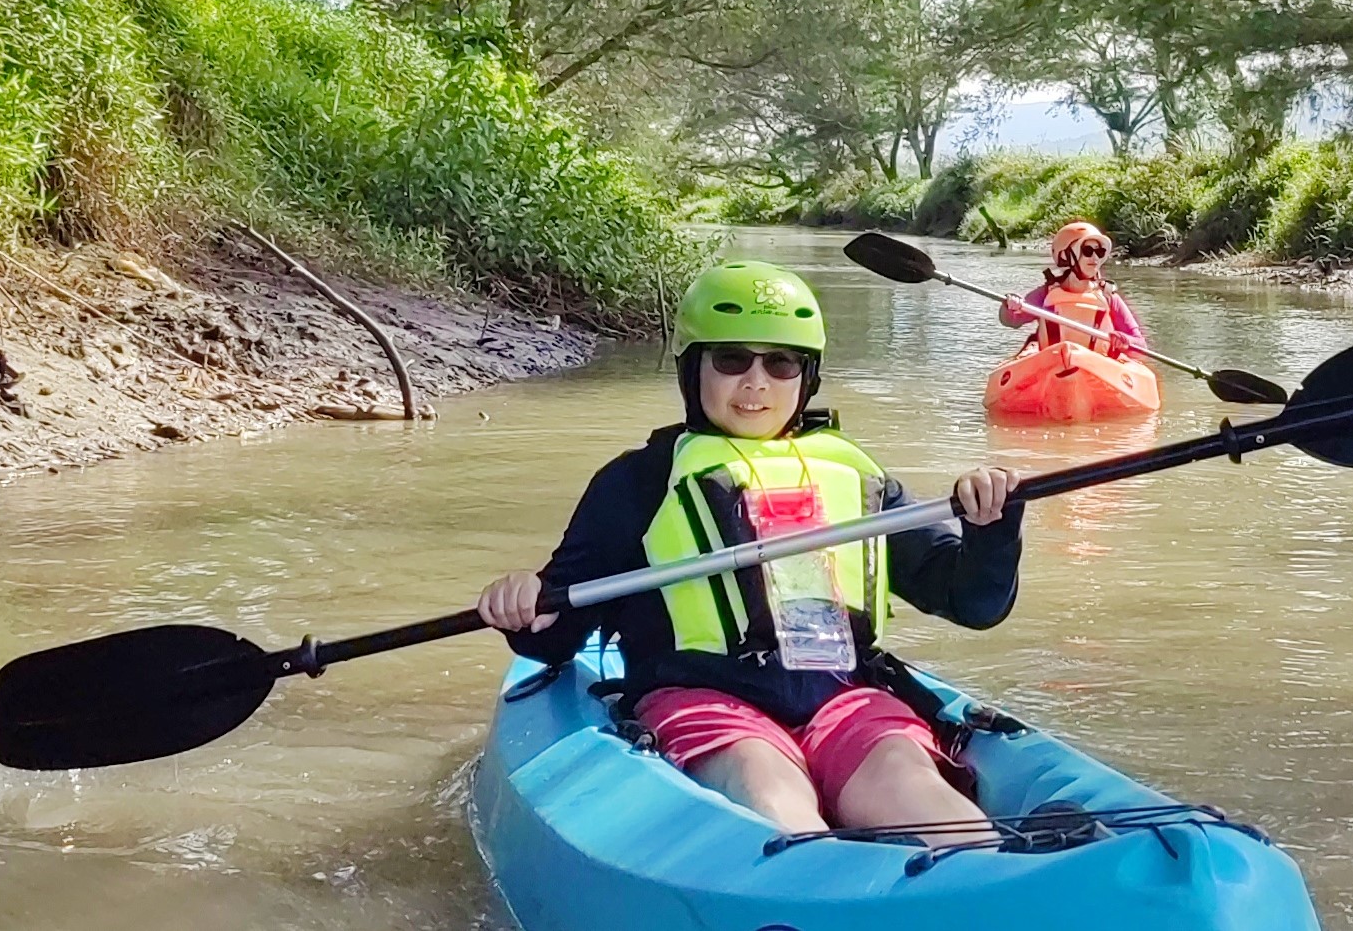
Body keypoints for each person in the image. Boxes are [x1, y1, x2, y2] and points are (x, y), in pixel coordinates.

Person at [476, 260, 1023, 835]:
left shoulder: (859, 480)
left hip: (843, 698)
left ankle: (991, 879)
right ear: (694, 371)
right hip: (705, 700)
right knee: (765, 783)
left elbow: (974, 603)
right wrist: (524, 603)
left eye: (781, 363)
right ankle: (808, 872)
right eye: (732, 359)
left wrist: (993, 526)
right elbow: (560, 633)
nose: (756, 382)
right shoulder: (640, 484)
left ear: (806, 376)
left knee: (913, 788)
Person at [999, 220, 1149, 360]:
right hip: (1052, 367)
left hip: (1096, 371)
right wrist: (1010, 304)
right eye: (1087, 250)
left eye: (1100, 252)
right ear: (1066, 255)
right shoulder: (1046, 294)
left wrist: (1125, 341)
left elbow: (1140, 345)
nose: (1095, 258)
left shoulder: (1109, 297)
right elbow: (1011, 320)